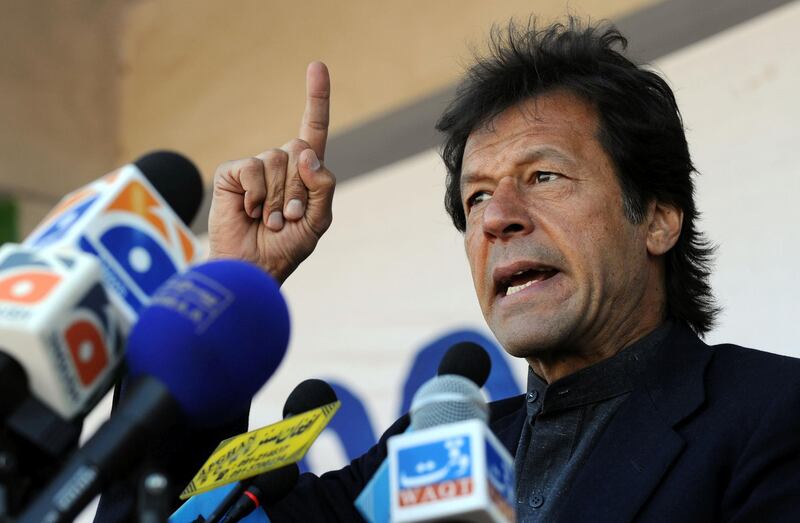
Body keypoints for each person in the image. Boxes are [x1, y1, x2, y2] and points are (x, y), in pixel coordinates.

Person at [97, 17, 800, 523]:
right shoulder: (427, 449)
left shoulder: (773, 414)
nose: (498, 218)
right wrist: (230, 287)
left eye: (544, 176)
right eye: (477, 197)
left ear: (657, 217)